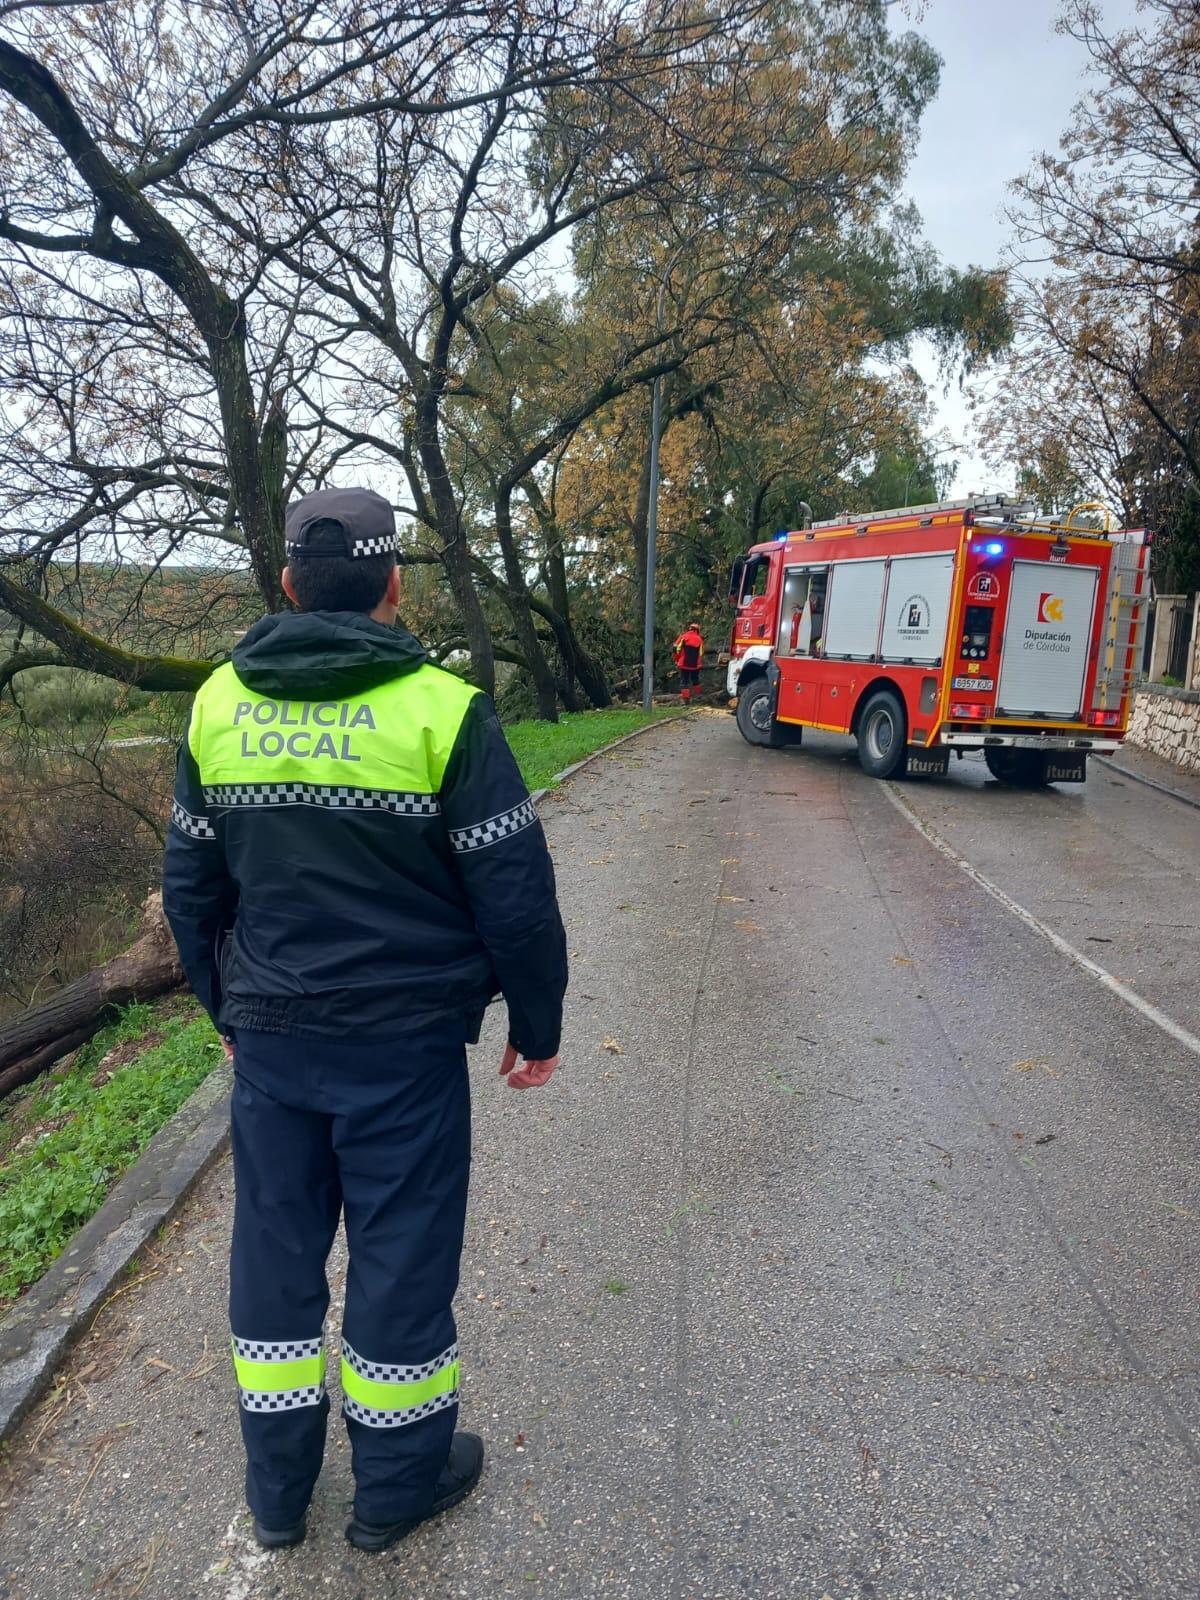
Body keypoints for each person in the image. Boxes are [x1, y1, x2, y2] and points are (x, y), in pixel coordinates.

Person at [162, 487, 568, 1554]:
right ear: (396, 586)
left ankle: (279, 1500)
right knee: (401, 1255)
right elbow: (514, 890)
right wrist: (538, 1021)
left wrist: (226, 1013)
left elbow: (190, 888)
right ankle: (395, 1490)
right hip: (404, 1052)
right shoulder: (441, 708)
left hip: (274, 1047)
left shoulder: (214, 704)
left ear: (290, 584)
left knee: (275, 1258)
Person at [672, 620, 705, 702]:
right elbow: (701, 653)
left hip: (684, 664)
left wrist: (676, 660)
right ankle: (698, 697)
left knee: (684, 681)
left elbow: (677, 649)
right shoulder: (699, 639)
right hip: (695, 665)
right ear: (697, 630)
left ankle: (686, 699)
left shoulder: (683, 637)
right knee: (695, 680)